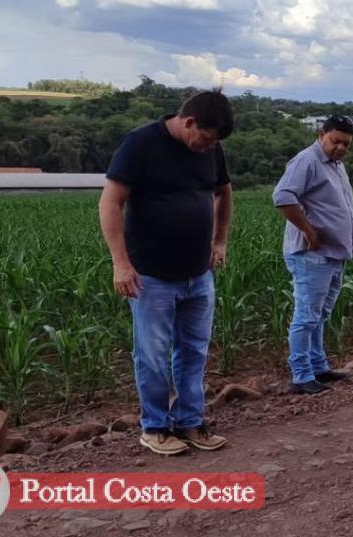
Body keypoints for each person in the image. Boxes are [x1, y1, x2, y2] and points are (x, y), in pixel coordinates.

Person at [98, 90, 234, 455]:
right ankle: (155, 427)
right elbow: (110, 202)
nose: (208, 148)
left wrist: (219, 242)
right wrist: (120, 262)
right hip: (152, 276)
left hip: (198, 274)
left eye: (214, 142)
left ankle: (190, 422)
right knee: (153, 355)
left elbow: (224, 192)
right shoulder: (140, 144)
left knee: (194, 352)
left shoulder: (211, 149)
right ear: (189, 122)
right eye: (205, 138)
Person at [273, 115, 353, 395]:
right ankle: (301, 374)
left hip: (333, 254)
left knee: (320, 315)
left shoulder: (337, 165)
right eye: (336, 141)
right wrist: (308, 231)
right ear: (321, 134)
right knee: (307, 315)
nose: (341, 148)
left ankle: (318, 367)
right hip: (312, 255)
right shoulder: (306, 161)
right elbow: (283, 197)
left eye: (346, 143)